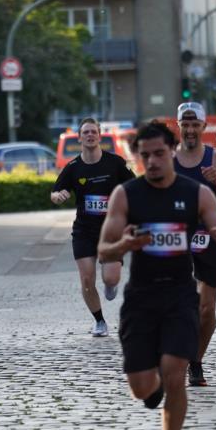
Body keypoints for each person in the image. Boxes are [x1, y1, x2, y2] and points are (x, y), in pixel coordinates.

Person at [97, 121, 216, 430]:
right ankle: (155, 387)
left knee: (175, 373)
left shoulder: (196, 193)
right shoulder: (126, 195)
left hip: (179, 296)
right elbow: (104, 249)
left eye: (159, 153)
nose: (152, 161)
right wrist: (124, 246)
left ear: (172, 151)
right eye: (145, 155)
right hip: (141, 298)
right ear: (138, 157)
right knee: (140, 388)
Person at [173, 101, 216, 387]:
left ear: (203, 126)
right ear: (178, 126)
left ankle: (196, 361)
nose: (190, 130)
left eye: (194, 125)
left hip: (209, 236)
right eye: (185, 125)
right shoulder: (168, 159)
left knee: (206, 309)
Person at [51, 117, 133, 336]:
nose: (90, 135)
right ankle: (99, 321)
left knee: (111, 278)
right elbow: (56, 191)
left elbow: (133, 187)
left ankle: (110, 284)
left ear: (99, 136)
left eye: (93, 132)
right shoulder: (73, 167)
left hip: (111, 230)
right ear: (79, 138)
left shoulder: (115, 162)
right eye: (85, 132)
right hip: (84, 231)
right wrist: (58, 196)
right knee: (87, 280)